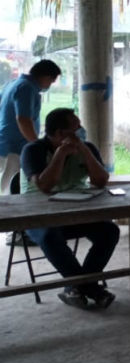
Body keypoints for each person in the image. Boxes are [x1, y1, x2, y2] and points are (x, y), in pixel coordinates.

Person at [21, 108, 119, 310]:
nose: (81, 131)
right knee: (50, 236)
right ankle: (91, 288)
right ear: (59, 134)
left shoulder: (86, 147)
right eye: (76, 129)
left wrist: (84, 151)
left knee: (109, 231)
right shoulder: (33, 150)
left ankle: (76, 287)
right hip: (37, 217)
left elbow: (101, 181)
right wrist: (61, 154)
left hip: (75, 213)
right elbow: (45, 186)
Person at [0, 59, 61, 245]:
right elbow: (23, 119)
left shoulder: (13, 83)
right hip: (15, 147)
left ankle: (20, 230)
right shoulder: (26, 87)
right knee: (15, 189)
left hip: (8, 142)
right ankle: (17, 233)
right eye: (50, 81)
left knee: (11, 187)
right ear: (44, 76)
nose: (49, 85)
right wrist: (38, 145)